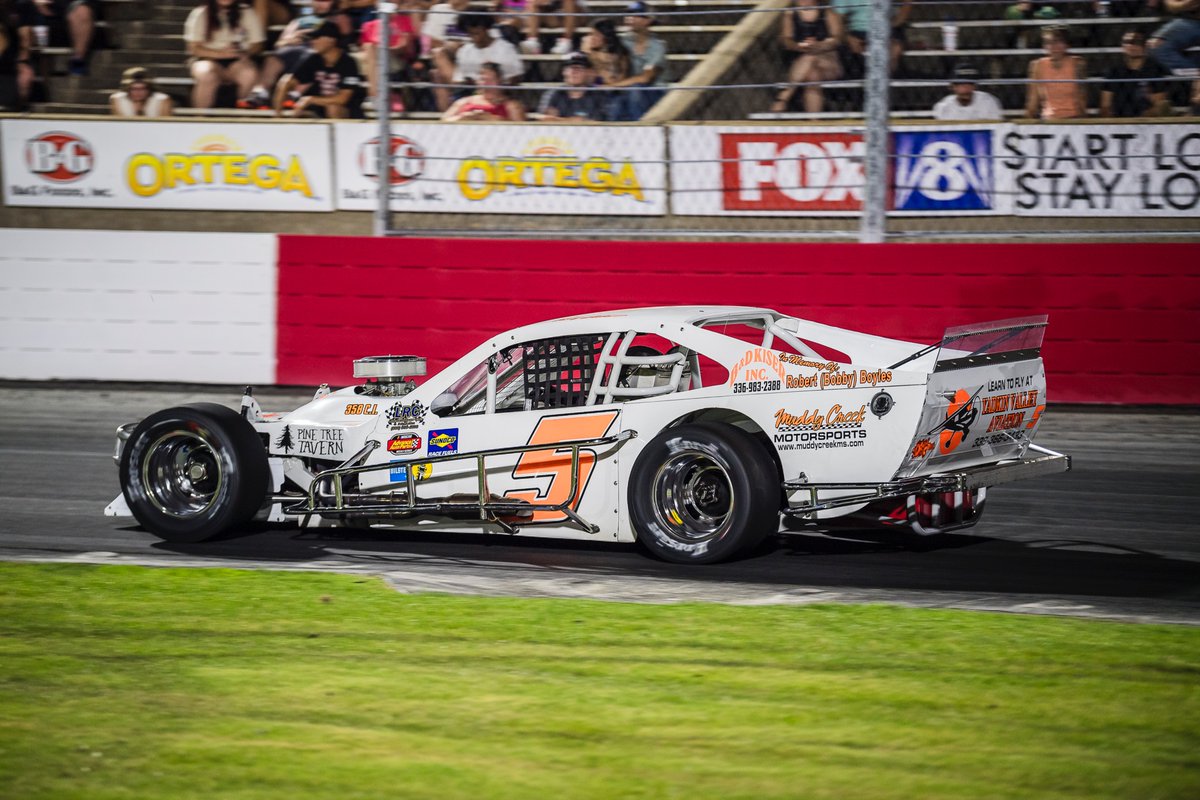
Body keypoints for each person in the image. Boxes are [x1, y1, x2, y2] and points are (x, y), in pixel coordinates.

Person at [244, 0, 351, 108]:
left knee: (311, 58)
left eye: (325, 1)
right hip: (294, 48)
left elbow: (344, 40)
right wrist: (290, 40)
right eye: (317, 1)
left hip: (315, 52)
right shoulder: (300, 21)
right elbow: (279, 44)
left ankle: (293, 95)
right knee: (273, 58)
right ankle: (261, 92)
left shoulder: (338, 19)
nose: (320, 4)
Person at [183, 0, 265, 110]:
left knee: (249, 74)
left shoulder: (246, 12)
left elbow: (257, 44)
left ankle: (243, 116)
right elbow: (194, 48)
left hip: (237, 60)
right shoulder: (200, 13)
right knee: (206, 74)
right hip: (208, 59)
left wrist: (245, 53)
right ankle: (200, 117)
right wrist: (220, 54)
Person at [433, 12, 523, 110]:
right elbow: (461, 82)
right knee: (437, 75)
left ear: (486, 29)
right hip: (472, 96)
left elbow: (514, 82)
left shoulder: (505, 49)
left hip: (499, 96)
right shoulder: (465, 51)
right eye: (470, 34)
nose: (474, 37)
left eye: (477, 33)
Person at [274, 19, 363, 117]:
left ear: (331, 40)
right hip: (318, 109)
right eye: (312, 38)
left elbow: (343, 98)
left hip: (347, 112)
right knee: (286, 84)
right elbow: (288, 82)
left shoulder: (348, 63)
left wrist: (310, 99)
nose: (313, 41)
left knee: (332, 107)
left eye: (317, 37)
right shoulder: (313, 58)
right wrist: (279, 114)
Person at [771, 0, 843, 114]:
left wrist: (820, 45)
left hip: (828, 61)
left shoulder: (827, 12)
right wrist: (799, 46)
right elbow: (786, 40)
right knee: (812, 75)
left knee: (810, 57)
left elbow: (837, 39)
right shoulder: (790, 14)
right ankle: (814, 121)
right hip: (802, 65)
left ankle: (784, 96)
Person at [608, 0, 666, 119]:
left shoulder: (657, 46)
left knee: (636, 90)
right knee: (617, 102)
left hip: (655, 91)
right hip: (628, 88)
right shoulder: (622, 41)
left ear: (648, 20)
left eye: (636, 15)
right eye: (629, 14)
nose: (630, 18)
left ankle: (640, 128)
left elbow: (645, 78)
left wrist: (615, 85)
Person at [358, 0, 419, 112]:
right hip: (374, 61)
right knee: (370, 50)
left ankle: (374, 95)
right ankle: (378, 95)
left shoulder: (404, 20)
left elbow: (406, 47)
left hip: (396, 59)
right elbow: (364, 50)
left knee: (371, 50)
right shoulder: (368, 26)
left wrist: (384, 50)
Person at [1148, 0, 1200, 115]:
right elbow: (1171, 6)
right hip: (1190, 22)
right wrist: (1186, 4)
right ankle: (1196, 76)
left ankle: (1194, 109)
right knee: (1155, 45)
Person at [15, 0, 95, 76]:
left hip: (69, 5)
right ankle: (24, 62)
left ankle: (78, 61)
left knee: (82, 11)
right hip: (33, 9)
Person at [1101, 31, 1170, 116]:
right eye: (1127, 42)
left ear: (1144, 46)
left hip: (1146, 120)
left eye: (1137, 42)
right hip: (1119, 120)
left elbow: (1159, 104)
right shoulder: (1114, 70)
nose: (1132, 46)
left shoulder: (1155, 69)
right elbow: (1105, 105)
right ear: (1123, 46)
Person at [1024, 25, 1087, 119]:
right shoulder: (1038, 65)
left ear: (1066, 45)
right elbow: (1033, 101)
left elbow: (1081, 99)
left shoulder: (1077, 64)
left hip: (1073, 119)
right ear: (1045, 46)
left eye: (1058, 42)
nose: (1054, 47)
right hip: (1049, 120)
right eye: (1049, 43)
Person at [441, 59, 525, 119]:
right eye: (483, 80)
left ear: (499, 81)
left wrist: (489, 118)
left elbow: (520, 128)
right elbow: (443, 121)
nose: (485, 84)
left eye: (490, 80)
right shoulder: (464, 102)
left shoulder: (511, 106)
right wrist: (464, 117)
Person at [535, 49, 607, 119]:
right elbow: (543, 120)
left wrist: (559, 120)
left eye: (579, 68)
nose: (574, 72)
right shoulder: (552, 94)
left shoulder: (599, 95)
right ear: (564, 72)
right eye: (570, 68)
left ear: (588, 72)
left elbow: (600, 122)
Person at [581, 16, 631, 116]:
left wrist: (592, 55)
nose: (591, 38)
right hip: (590, 92)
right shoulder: (586, 53)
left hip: (613, 94)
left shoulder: (620, 54)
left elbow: (616, 80)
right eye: (591, 34)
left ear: (606, 36)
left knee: (615, 104)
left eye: (596, 34)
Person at [932, 63, 1005, 120]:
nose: (966, 86)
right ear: (952, 86)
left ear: (975, 86)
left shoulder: (988, 102)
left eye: (970, 83)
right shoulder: (944, 106)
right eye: (961, 83)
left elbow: (996, 128)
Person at [109, 66, 174, 116]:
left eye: (143, 89)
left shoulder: (161, 99)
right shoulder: (118, 99)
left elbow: (165, 123)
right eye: (134, 89)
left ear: (149, 89)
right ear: (127, 89)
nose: (138, 92)